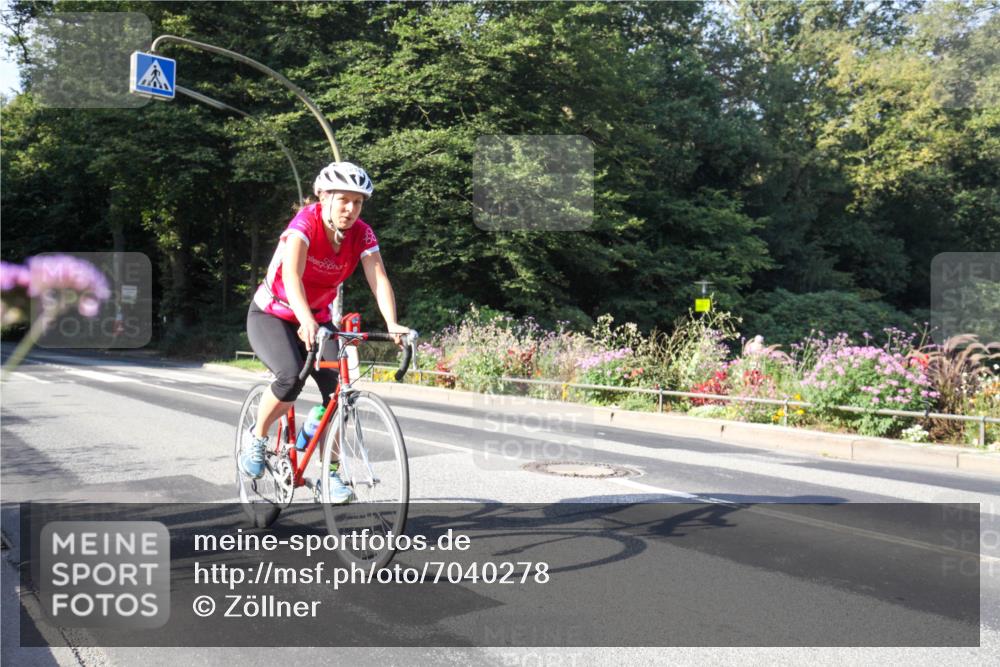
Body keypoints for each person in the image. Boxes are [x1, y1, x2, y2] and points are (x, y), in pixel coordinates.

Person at [241, 161, 409, 502]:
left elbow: (379, 278)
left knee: (339, 395)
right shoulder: (305, 223)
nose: (350, 208)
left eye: (358, 202)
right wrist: (304, 319)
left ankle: (329, 474)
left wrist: (392, 323)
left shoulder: (362, 233)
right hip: (272, 314)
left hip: (317, 319)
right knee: (290, 377)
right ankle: (257, 438)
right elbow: (291, 276)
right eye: (343, 199)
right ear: (324, 197)